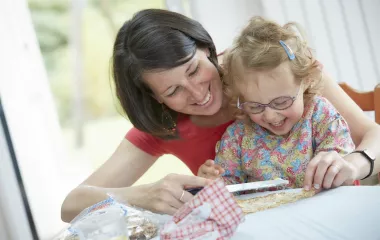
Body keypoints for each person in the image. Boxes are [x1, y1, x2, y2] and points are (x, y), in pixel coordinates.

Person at [61, 9, 380, 223]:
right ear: (155, 99)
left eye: (194, 69)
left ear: (206, 48)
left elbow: (373, 133)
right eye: (173, 92)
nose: (197, 93)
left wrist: (356, 162)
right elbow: (72, 205)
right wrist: (143, 194)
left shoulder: (267, 68)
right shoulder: (164, 126)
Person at [205, 16, 356, 189]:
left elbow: (341, 161)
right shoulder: (237, 137)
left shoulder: (320, 115)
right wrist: (213, 182)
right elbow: (227, 186)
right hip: (268, 216)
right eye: (254, 106)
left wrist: (333, 167)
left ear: (306, 80)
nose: (270, 115)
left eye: (281, 102)